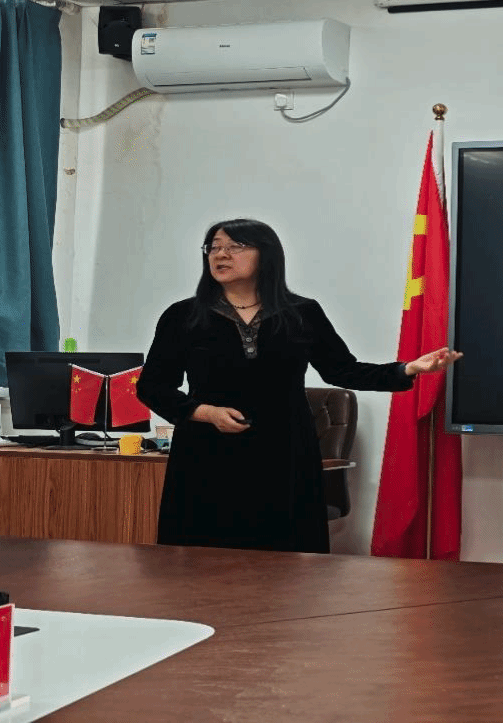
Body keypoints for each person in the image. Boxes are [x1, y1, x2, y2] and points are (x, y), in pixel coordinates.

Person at [137, 218, 460, 553]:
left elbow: (342, 370)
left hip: (284, 452)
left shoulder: (302, 313)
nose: (221, 254)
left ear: (266, 254)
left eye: (235, 246)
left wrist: (407, 369)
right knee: (201, 561)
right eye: (214, 247)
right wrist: (204, 413)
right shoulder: (183, 316)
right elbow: (153, 386)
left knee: (284, 561)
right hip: (207, 455)